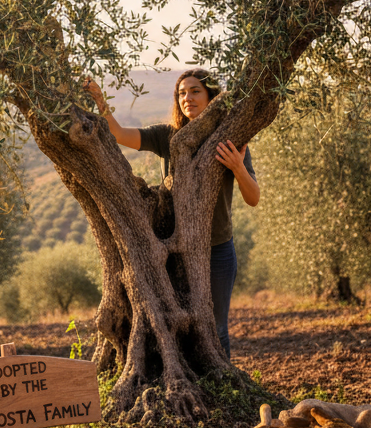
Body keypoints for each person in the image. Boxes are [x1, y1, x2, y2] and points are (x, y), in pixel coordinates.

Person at [84, 69, 259, 357]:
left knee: (215, 329)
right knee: (175, 325)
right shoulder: (168, 137)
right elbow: (118, 134)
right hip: (172, 249)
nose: (187, 98)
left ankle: (223, 385)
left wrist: (238, 167)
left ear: (211, 97)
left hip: (217, 250)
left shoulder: (229, 139)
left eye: (195, 91)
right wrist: (100, 101)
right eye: (181, 93)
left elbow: (253, 198)